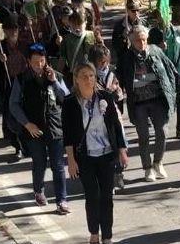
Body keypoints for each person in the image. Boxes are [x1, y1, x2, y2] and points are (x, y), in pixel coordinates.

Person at [63, 62, 128, 244]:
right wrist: (71, 160)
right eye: (83, 76)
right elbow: (68, 134)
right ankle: (94, 233)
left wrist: (122, 151)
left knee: (107, 196)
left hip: (107, 155)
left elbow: (116, 126)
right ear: (76, 79)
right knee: (92, 196)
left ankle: (107, 236)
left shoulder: (105, 97)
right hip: (85, 157)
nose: (88, 79)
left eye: (91, 75)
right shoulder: (69, 103)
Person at [9, 43, 70, 214]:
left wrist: (55, 82)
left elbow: (66, 98)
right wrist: (27, 124)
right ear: (28, 62)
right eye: (35, 62)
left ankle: (62, 200)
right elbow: (13, 105)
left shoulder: (56, 75)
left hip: (55, 127)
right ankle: (38, 190)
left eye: (42, 61)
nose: (39, 65)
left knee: (58, 165)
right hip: (34, 129)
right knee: (39, 162)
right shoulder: (21, 79)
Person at [117, 25, 176, 182]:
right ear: (131, 41)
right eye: (137, 40)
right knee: (143, 136)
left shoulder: (156, 51)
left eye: (143, 39)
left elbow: (169, 71)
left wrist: (171, 93)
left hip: (158, 99)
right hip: (138, 103)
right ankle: (147, 168)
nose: (141, 43)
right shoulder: (127, 57)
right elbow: (122, 80)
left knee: (162, 132)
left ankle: (158, 162)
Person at [0, 14, 27, 159]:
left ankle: (27, 144)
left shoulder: (25, 44)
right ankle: (17, 146)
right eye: (9, 29)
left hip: (24, 84)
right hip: (8, 86)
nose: (13, 32)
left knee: (26, 114)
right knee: (11, 117)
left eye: (15, 29)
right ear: (4, 31)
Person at [89, 44, 127, 190]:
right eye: (101, 62)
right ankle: (105, 177)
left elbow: (119, 95)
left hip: (113, 114)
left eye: (106, 61)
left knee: (119, 142)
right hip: (96, 117)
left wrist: (116, 91)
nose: (104, 65)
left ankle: (118, 174)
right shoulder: (90, 75)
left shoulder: (112, 75)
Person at [148, 19, 180, 139]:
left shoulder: (177, 32)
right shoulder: (154, 32)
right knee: (163, 101)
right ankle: (160, 128)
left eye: (168, 14)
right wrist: (159, 47)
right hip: (163, 74)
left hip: (179, 71)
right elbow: (149, 51)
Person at [59, 10, 100, 87]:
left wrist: (99, 39)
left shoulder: (92, 35)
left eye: (79, 24)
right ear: (70, 24)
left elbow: (101, 52)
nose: (77, 27)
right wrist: (59, 75)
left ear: (85, 23)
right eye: (74, 25)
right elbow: (62, 58)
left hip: (91, 72)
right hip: (76, 74)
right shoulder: (66, 40)